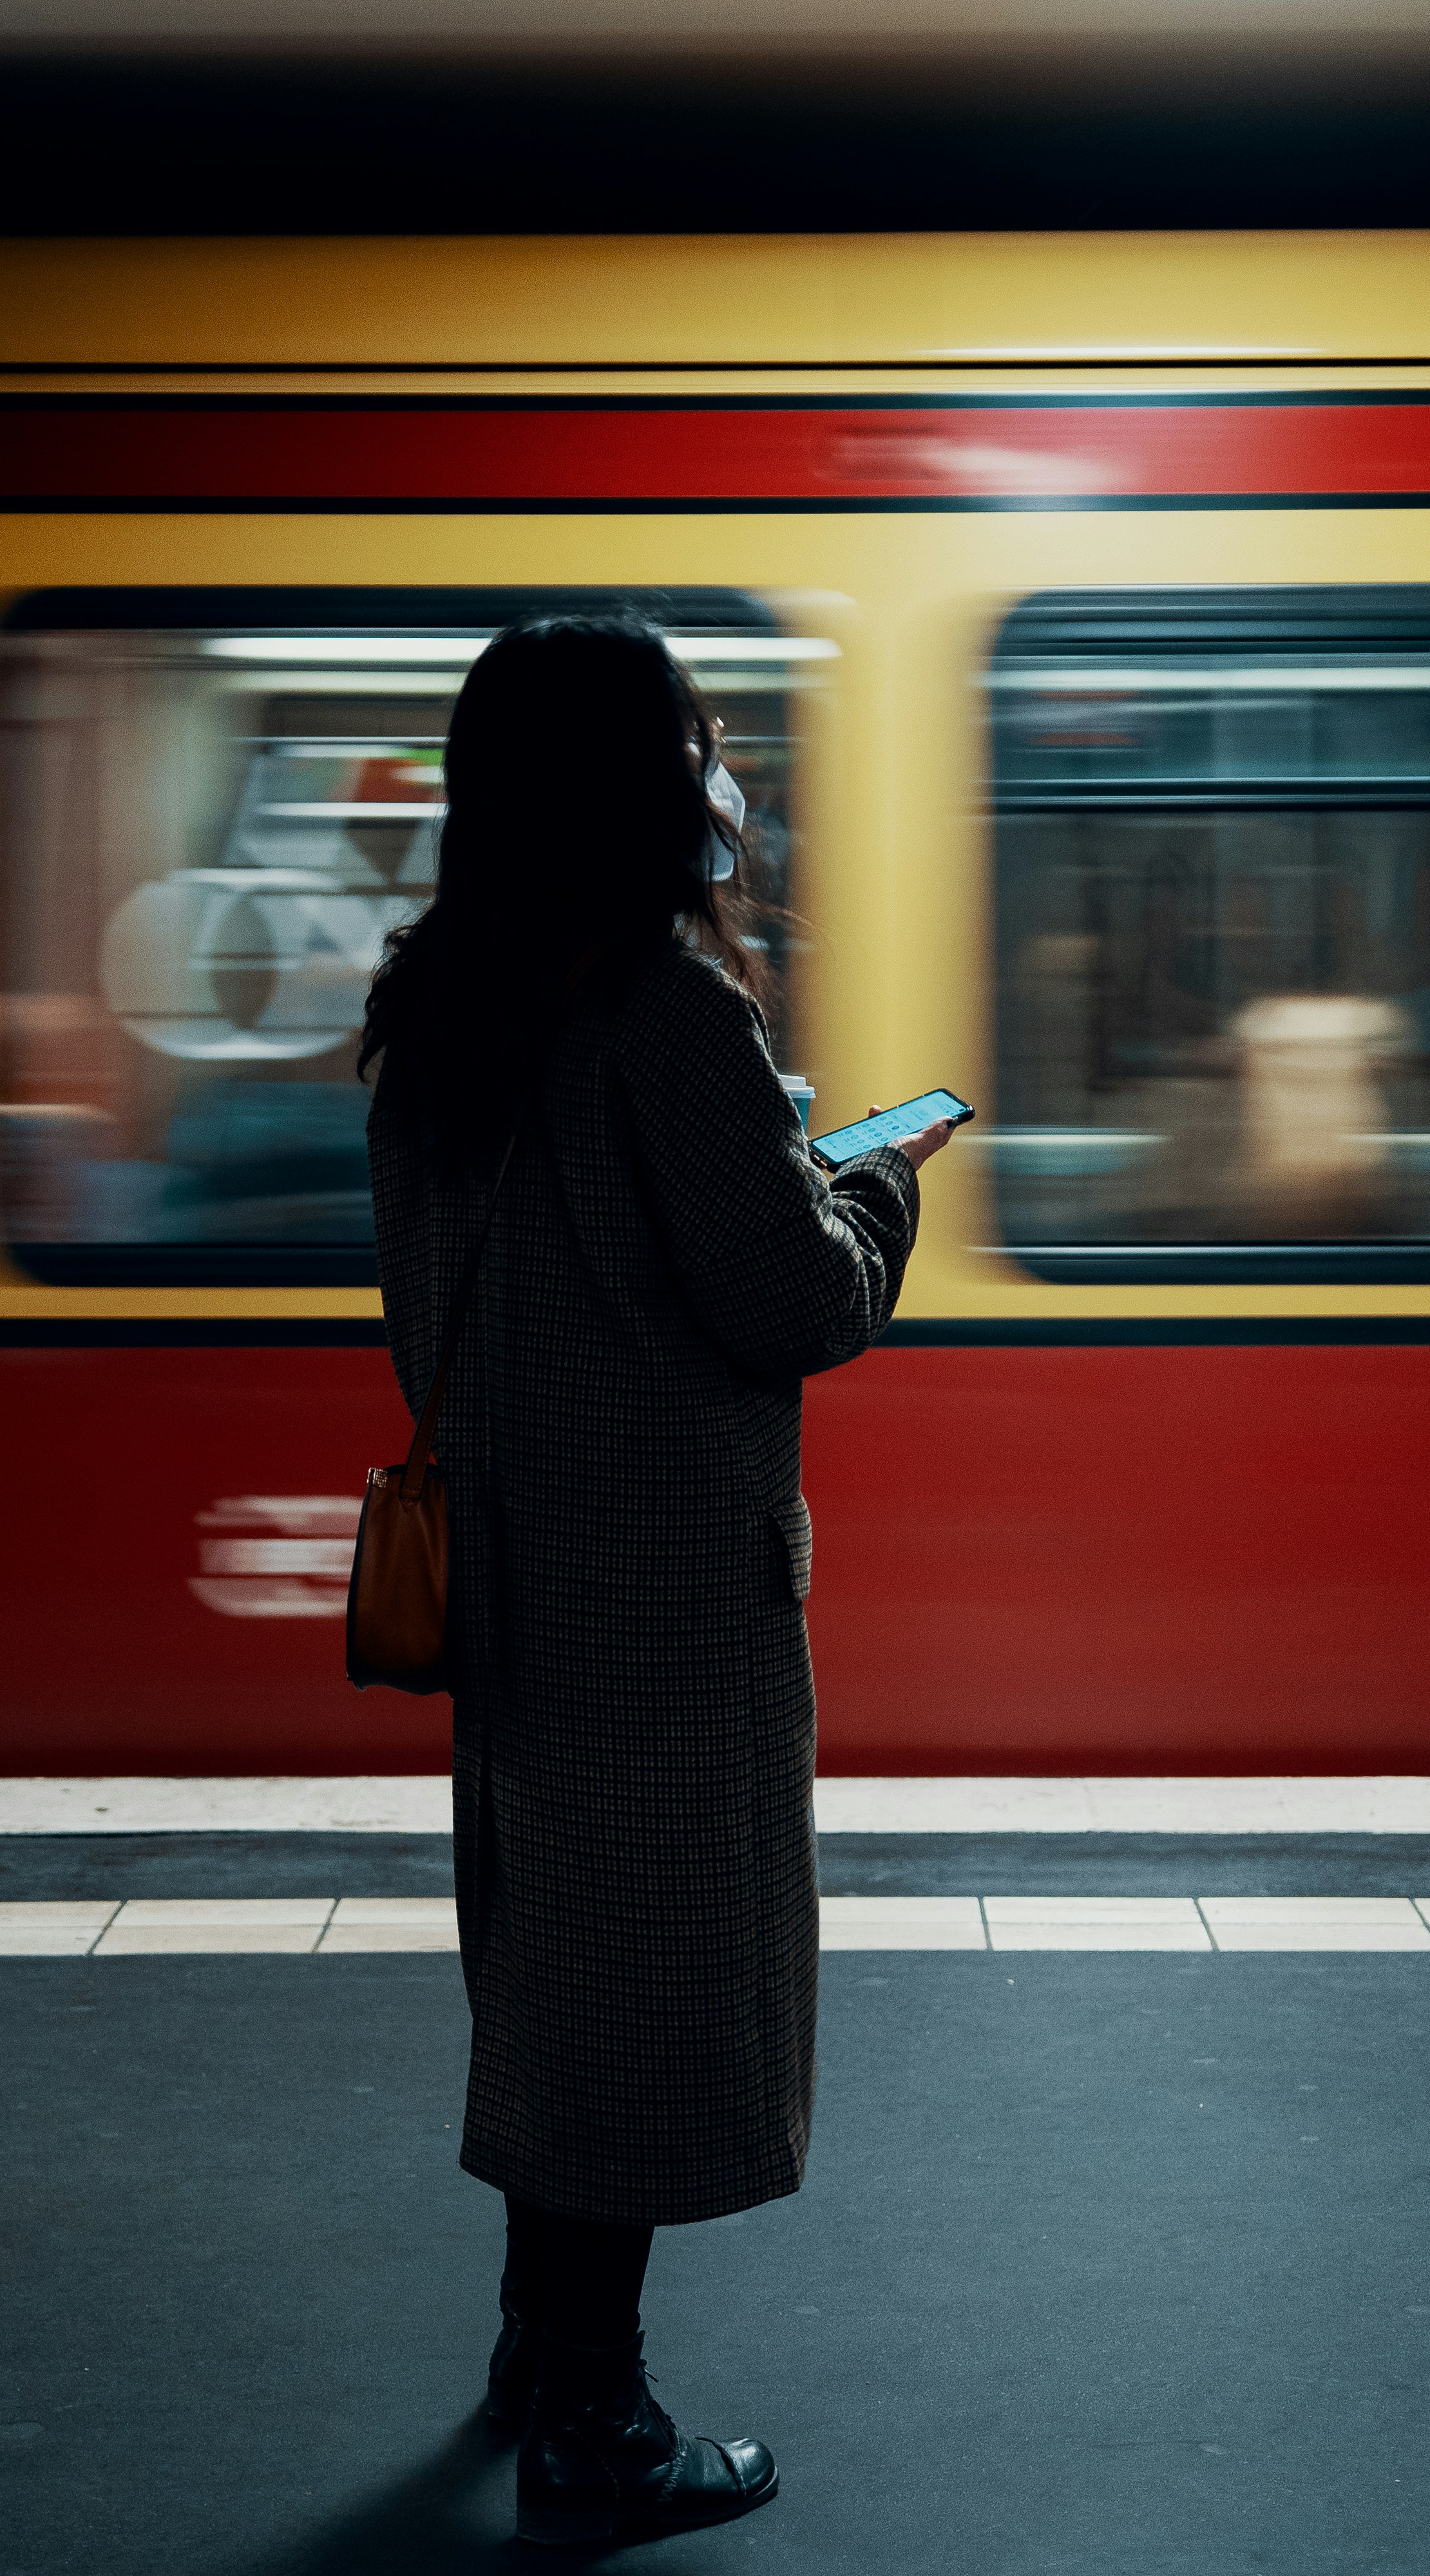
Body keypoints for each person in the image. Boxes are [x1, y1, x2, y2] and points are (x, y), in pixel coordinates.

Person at [358, 612, 952, 2548]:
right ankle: (597, 2425)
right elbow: (793, 1303)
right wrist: (874, 1189)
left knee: (551, 1964)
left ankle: (542, 2341)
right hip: (670, 1603)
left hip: (518, 1581)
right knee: (642, 1986)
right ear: (640, 786)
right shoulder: (671, 1019)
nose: (722, 777)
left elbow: (421, 1312)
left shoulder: (434, 1005)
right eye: (696, 742)